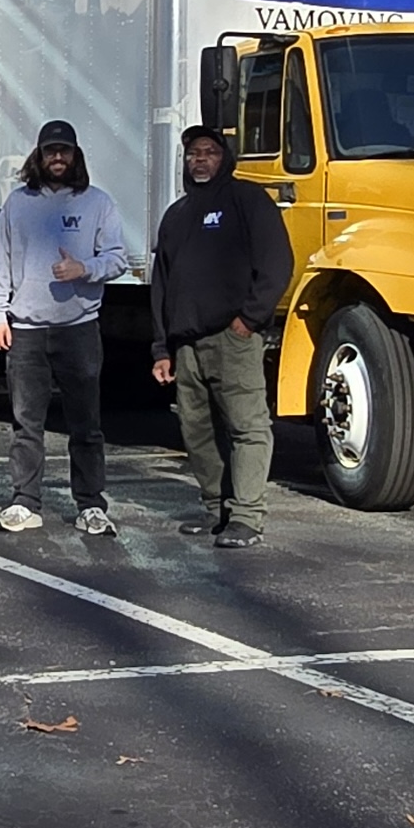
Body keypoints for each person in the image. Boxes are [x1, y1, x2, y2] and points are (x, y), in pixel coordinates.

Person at [149, 124, 292, 548]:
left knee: (247, 427)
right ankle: (217, 509)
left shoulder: (247, 200)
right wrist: (162, 347)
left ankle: (246, 516)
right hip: (186, 345)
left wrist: (249, 320)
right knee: (197, 432)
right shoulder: (177, 215)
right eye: (193, 153)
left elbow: (277, 262)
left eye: (209, 152)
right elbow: (162, 284)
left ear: (224, 158)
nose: (200, 160)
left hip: (233, 338)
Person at [0, 120, 130, 535]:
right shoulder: (17, 203)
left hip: (79, 328)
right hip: (27, 329)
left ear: (75, 156)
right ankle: (25, 502)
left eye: (65, 151)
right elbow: (2, 261)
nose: (57, 158)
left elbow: (118, 258)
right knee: (26, 424)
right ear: (39, 156)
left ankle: (90, 505)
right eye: (50, 151)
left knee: (85, 424)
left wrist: (85, 268)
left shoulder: (97, 203)